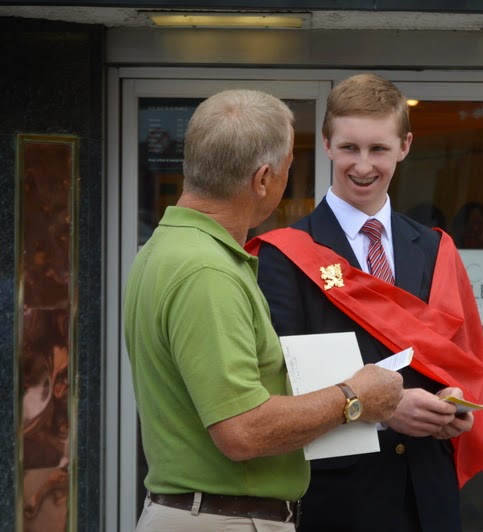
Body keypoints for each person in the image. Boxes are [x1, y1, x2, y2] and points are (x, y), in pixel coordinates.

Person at [124, 89, 404, 532]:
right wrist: (354, 397)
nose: (286, 181)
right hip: (224, 518)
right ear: (262, 179)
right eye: (288, 169)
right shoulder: (206, 269)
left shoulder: (169, 248)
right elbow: (242, 430)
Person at [248, 73, 483, 531]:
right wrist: (380, 409)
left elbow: (457, 358)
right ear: (327, 144)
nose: (363, 165)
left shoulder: (434, 247)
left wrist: (454, 403)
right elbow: (278, 383)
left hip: (429, 493)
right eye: (350, 147)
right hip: (338, 500)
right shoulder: (284, 254)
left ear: (404, 146)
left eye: (378, 149)